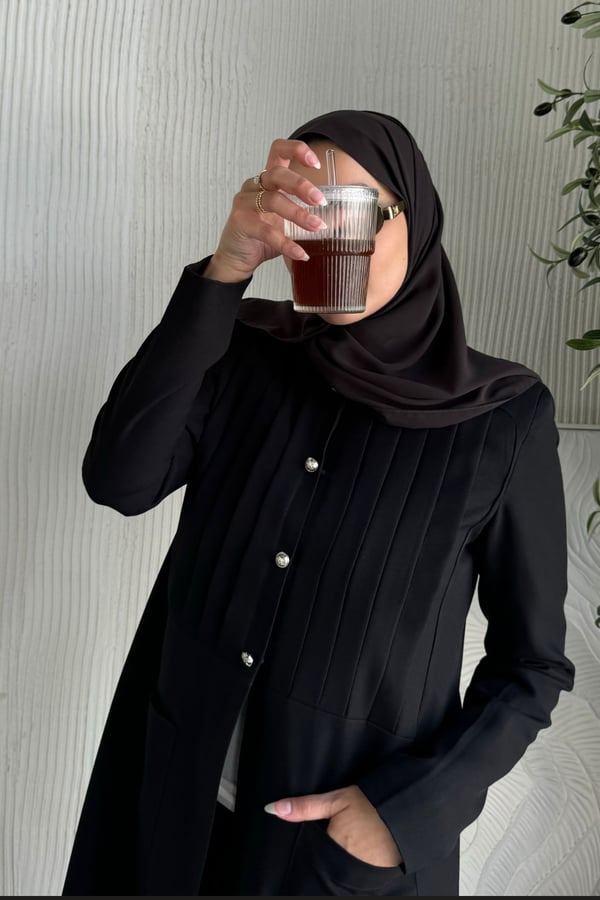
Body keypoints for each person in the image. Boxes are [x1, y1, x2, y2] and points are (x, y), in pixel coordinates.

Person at [62, 110, 575, 897]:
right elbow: (118, 479)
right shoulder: (246, 353)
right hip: (173, 814)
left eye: (355, 211)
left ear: (415, 221)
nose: (332, 235)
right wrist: (226, 271)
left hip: (336, 861)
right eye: (310, 209)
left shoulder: (500, 420)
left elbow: (531, 664)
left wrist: (405, 815)